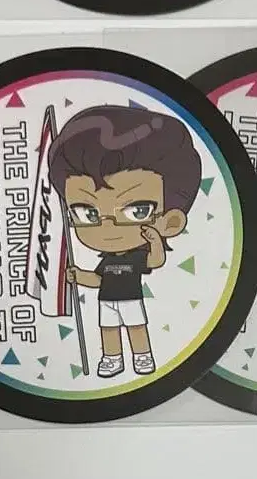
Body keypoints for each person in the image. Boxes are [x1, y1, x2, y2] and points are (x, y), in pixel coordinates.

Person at [52, 105, 200, 378]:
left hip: (131, 299)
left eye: (137, 211)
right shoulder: (107, 260)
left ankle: (142, 356)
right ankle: (112, 358)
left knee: (136, 327)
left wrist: (155, 242)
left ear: (170, 222)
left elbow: (155, 261)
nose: (107, 226)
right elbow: (98, 279)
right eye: (87, 213)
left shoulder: (136, 257)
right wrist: (78, 276)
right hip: (107, 299)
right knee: (108, 329)